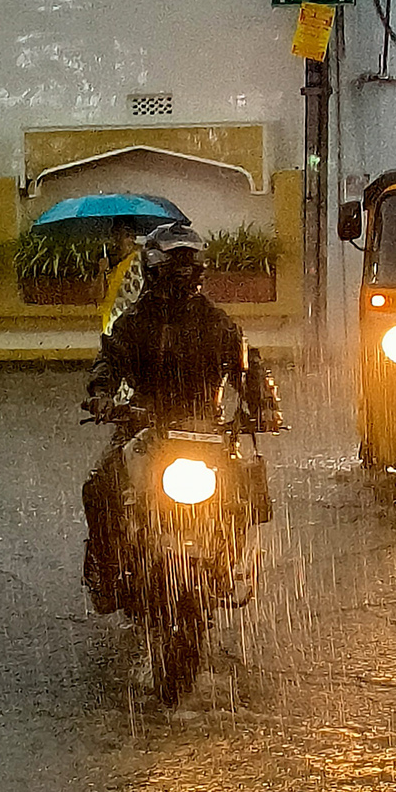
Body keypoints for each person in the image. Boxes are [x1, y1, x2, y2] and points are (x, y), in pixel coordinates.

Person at [80, 221, 282, 614]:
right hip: (144, 427)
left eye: (190, 264)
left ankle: (229, 562)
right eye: (176, 263)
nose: (183, 272)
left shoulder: (216, 322)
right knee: (100, 488)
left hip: (206, 430)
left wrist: (264, 405)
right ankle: (106, 571)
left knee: (245, 489)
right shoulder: (134, 323)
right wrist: (101, 396)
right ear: (154, 269)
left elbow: (247, 365)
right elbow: (108, 361)